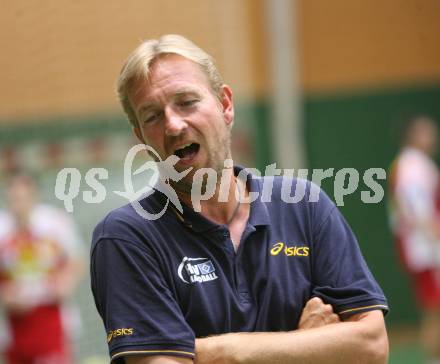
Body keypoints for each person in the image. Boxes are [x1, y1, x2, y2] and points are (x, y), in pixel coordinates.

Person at [91, 34, 389, 364]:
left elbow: (371, 346)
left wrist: (221, 351)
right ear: (141, 138)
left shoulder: (304, 205)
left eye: (187, 102)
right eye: (151, 116)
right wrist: (303, 344)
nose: (173, 125)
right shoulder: (126, 237)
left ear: (225, 105)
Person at [0, 170, 84, 364]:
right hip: (14, 326)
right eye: (13, 197)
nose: (18, 203)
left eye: (22, 196)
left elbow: (76, 259)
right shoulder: (2, 228)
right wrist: (5, 294)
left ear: (33, 194)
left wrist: (65, 282)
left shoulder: (54, 222)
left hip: (52, 319)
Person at [389, 116, 440, 364]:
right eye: (426, 132)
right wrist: (433, 233)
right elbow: (413, 207)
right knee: (434, 305)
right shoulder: (411, 166)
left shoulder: (418, 163)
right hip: (425, 248)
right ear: (412, 136)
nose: (432, 136)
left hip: (426, 244)